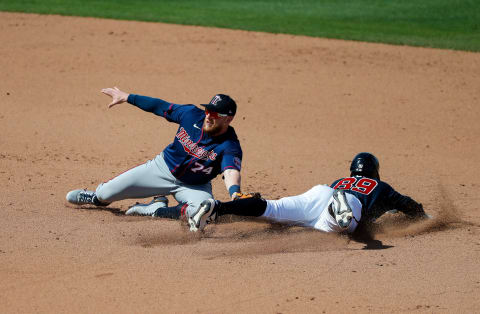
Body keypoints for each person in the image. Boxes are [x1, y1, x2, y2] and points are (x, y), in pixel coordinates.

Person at [66, 87, 245, 219]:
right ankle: (97, 198)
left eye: (214, 114)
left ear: (228, 119)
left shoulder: (230, 144)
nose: (208, 116)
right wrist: (128, 97)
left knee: (205, 212)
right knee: (105, 194)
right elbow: (160, 106)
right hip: (161, 169)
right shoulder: (191, 115)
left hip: (194, 186)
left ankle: (155, 209)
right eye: (207, 110)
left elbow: (230, 171)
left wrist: (235, 193)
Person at [188, 152, 429, 234]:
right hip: (346, 205)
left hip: (321, 192)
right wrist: (425, 219)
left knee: (272, 208)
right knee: (343, 225)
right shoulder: (381, 187)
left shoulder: (340, 180)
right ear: (375, 172)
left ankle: (218, 208)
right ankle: (339, 209)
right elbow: (410, 206)